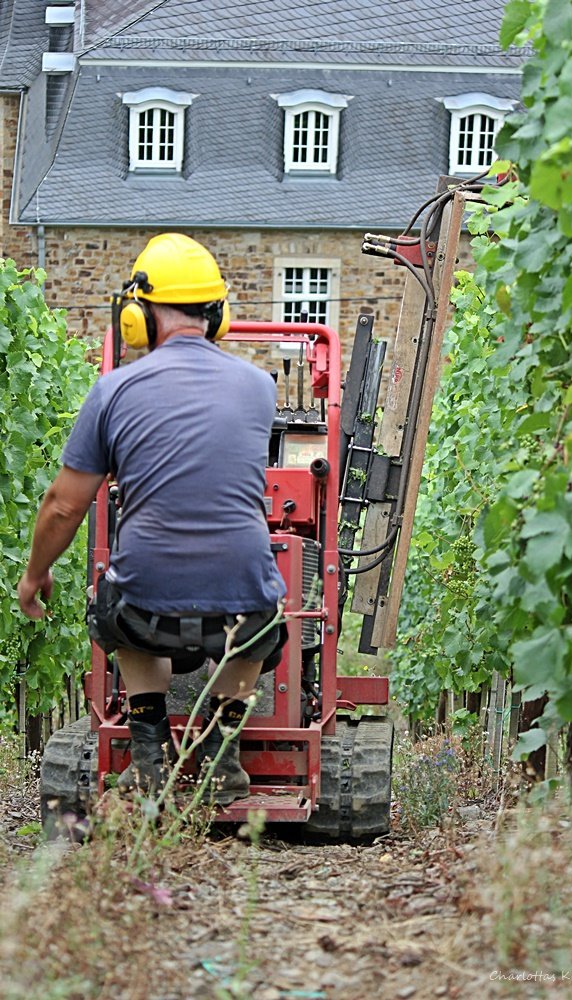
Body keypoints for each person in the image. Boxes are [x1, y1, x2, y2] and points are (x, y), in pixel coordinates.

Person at [17, 233, 287, 804]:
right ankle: (220, 756)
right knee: (263, 616)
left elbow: (65, 505)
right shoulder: (259, 388)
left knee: (116, 603)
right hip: (243, 606)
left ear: (136, 316)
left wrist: (35, 572)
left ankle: (148, 751)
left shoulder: (112, 391)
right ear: (219, 317)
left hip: (147, 609)